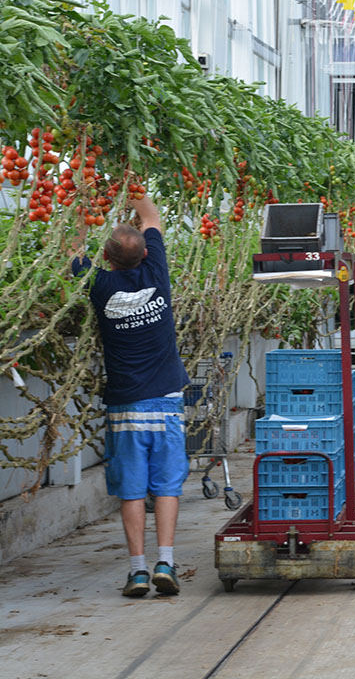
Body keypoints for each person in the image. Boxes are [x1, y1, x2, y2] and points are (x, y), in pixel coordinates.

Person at [73, 194, 190, 597]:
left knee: (132, 490)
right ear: (144, 254)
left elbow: (75, 249)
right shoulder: (158, 272)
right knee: (168, 487)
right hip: (167, 404)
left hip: (125, 407)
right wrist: (132, 181)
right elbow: (150, 214)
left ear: (107, 259)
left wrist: (83, 198)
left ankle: (138, 570)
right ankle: (167, 563)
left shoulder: (99, 285)